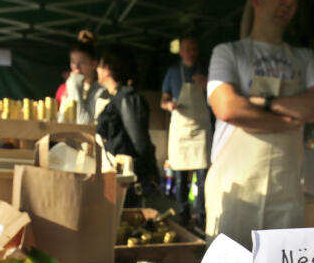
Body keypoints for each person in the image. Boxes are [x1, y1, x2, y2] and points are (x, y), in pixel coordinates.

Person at [205, 0, 314, 247]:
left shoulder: (304, 57)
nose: (288, 1)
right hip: (234, 188)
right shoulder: (228, 53)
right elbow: (227, 107)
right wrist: (290, 117)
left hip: (285, 191)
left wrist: (263, 103)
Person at [161, 35, 211, 228]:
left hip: (201, 128)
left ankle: (201, 215)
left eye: (193, 48)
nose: (190, 52)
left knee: (202, 175)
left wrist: (207, 83)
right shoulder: (173, 72)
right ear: (181, 51)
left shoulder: (205, 70)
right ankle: (183, 213)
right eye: (187, 48)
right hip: (181, 127)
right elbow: (163, 99)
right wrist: (169, 105)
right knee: (180, 175)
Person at [95, 44, 158, 194]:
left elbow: (140, 142)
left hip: (128, 180)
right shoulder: (116, 97)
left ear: (108, 69)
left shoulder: (126, 98)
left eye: (100, 64)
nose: (97, 69)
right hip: (116, 175)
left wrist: (150, 176)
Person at [58, 31, 108, 124]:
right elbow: (61, 120)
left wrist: (74, 87)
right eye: (73, 62)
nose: (76, 67)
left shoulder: (101, 91)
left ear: (93, 64)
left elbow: (84, 123)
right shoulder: (69, 86)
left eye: (82, 63)